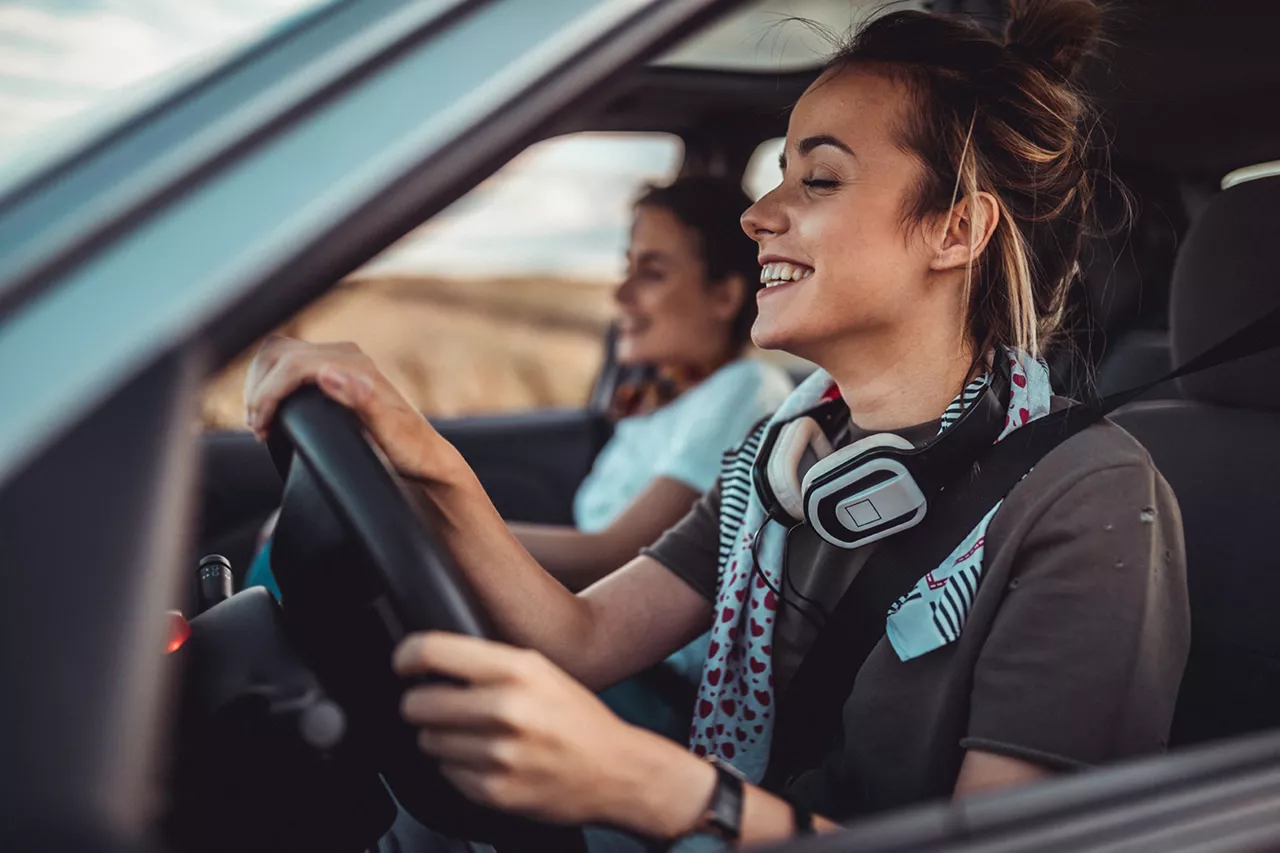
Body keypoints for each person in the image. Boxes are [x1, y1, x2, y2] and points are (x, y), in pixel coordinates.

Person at [244, 1, 1190, 847]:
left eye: (817, 181)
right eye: (779, 174)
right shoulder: (783, 461)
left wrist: (655, 786)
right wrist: (428, 462)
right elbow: (578, 637)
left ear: (955, 231)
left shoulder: (1089, 496)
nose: (758, 214)